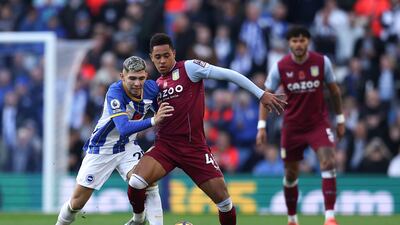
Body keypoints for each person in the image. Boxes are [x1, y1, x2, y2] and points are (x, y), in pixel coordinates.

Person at [126, 33, 287, 225]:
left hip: (194, 149)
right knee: (136, 182)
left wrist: (261, 94)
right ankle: (138, 220)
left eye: (166, 55)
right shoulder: (154, 86)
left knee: (225, 203)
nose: (162, 61)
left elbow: (229, 74)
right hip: (165, 147)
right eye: (157, 57)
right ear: (151, 58)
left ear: (174, 53)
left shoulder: (189, 68)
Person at [55, 56, 174, 225]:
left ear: (146, 76)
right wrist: (154, 120)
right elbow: (123, 127)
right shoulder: (115, 92)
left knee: (148, 182)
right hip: (102, 148)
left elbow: (160, 111)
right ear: (122, 76)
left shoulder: (152, 89)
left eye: (141, 78)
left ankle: (138, 220)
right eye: (132, 78)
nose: (137, 83)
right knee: (76, 203)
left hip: (128, 146)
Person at [256, 26, 345, 225]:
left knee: (328, 162)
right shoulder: (280, 67)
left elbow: (335, 92)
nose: (298, 44)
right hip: (292, 127)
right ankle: (292, 219)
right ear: (289, 43)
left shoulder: (322, 62)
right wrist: (261, 126)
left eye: (302, 40)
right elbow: (265, 96)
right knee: (290, 173)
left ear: (308, 42)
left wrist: (340, 119)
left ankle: (329, 217)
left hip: (318, 124)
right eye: (294, 41)